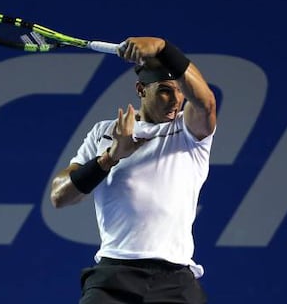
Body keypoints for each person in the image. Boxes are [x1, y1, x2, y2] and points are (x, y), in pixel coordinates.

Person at [50, 37, 216, 304]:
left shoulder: (188, 131)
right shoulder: (104, 132)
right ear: (141, 89)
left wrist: (163, 47)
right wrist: (111, 156)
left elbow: (206, 102)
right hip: (114, 277)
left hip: (176, 281)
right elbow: (60, 196)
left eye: (179, 90)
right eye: (164, 90)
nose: (176, 100)